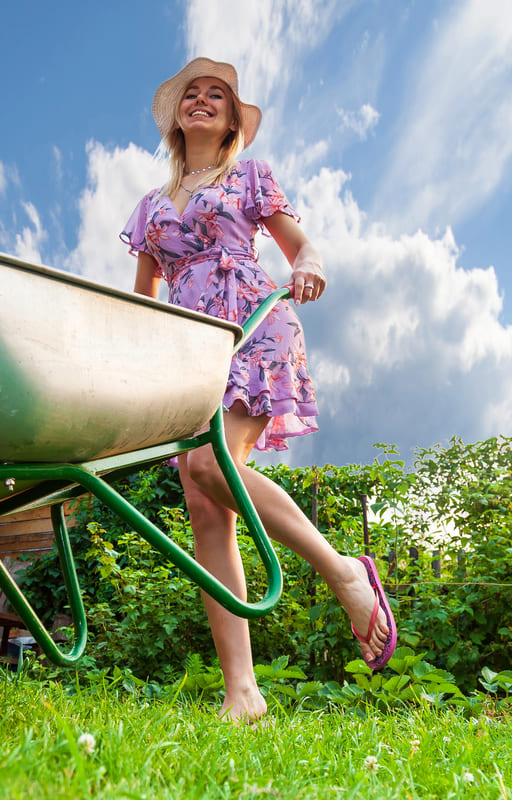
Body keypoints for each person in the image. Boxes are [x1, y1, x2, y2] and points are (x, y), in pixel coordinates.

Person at [120, 57, 397, 722]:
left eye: (218, 94)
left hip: (251, 326)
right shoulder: (150, 208)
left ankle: (343, 572)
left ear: (233, 119)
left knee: (209, 464)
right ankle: (242, 692)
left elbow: (303, 248)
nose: (204, 100)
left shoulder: (248, 176)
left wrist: (308, 268)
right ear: (177, 118)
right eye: (193, 94)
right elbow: (142, 298)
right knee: (205, 505)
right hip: (189, 350)